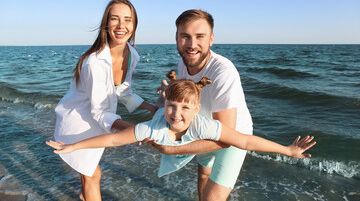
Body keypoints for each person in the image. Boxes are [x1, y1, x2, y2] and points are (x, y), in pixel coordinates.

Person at [47, 72, 316, 182]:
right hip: (169, 144)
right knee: (164, 138)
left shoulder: (204, 125)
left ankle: (171, 84)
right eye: (172, 106)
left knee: (205, 163)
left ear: (197, 110)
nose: (177, 114)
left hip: (188, 145)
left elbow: (245, 141)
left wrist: (286, 150)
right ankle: (168, 86)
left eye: (186, 108)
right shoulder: (155, 126)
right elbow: (113, 140)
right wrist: (72, 145)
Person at [53, 0, 157, 201]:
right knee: (93, 175)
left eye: (127, 20)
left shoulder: (132, 54)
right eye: (115, 19)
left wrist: (152, 108)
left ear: (134, 24)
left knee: (90, 176)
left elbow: (123, 89)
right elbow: (100, 112)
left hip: (96, 123)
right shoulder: (95, 62)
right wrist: (133, 130)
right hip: (78, 123)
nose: (121, 25)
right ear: (105, 24)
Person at [151, 9, 255, 201]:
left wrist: (173, 149)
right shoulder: (184, 63)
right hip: (204, 127)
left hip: (233, 136)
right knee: (203, 175)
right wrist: (169, 93)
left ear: (211, 39)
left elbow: (225, 137)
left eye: (200, 36)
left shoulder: (223, 72)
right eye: (185, 36)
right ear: (176, 38)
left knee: (212, 198)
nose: (192, 45)